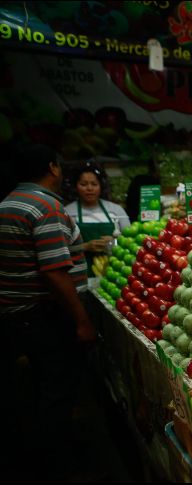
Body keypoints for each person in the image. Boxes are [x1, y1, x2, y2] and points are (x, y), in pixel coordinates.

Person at [0, 144, 97, 480]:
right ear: (53, 168)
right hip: (44, 315)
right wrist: (82, 321)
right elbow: (54, 271)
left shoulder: (8, 203)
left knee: (38, 386)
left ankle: (40, 453)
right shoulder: (45, 207)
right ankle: (60, 465)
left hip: (16, 314)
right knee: (58, 389)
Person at [64, 164, 130, 276]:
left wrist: (113, 242)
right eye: (83, 184)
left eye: (94, 184)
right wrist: (85, 247)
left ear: (101, 186)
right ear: (75, 186)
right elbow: (60, 249)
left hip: (115, 273)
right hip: (79, 273)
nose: (89, 188)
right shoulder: (67, 212)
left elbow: (130, 241)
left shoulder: (116, 210)